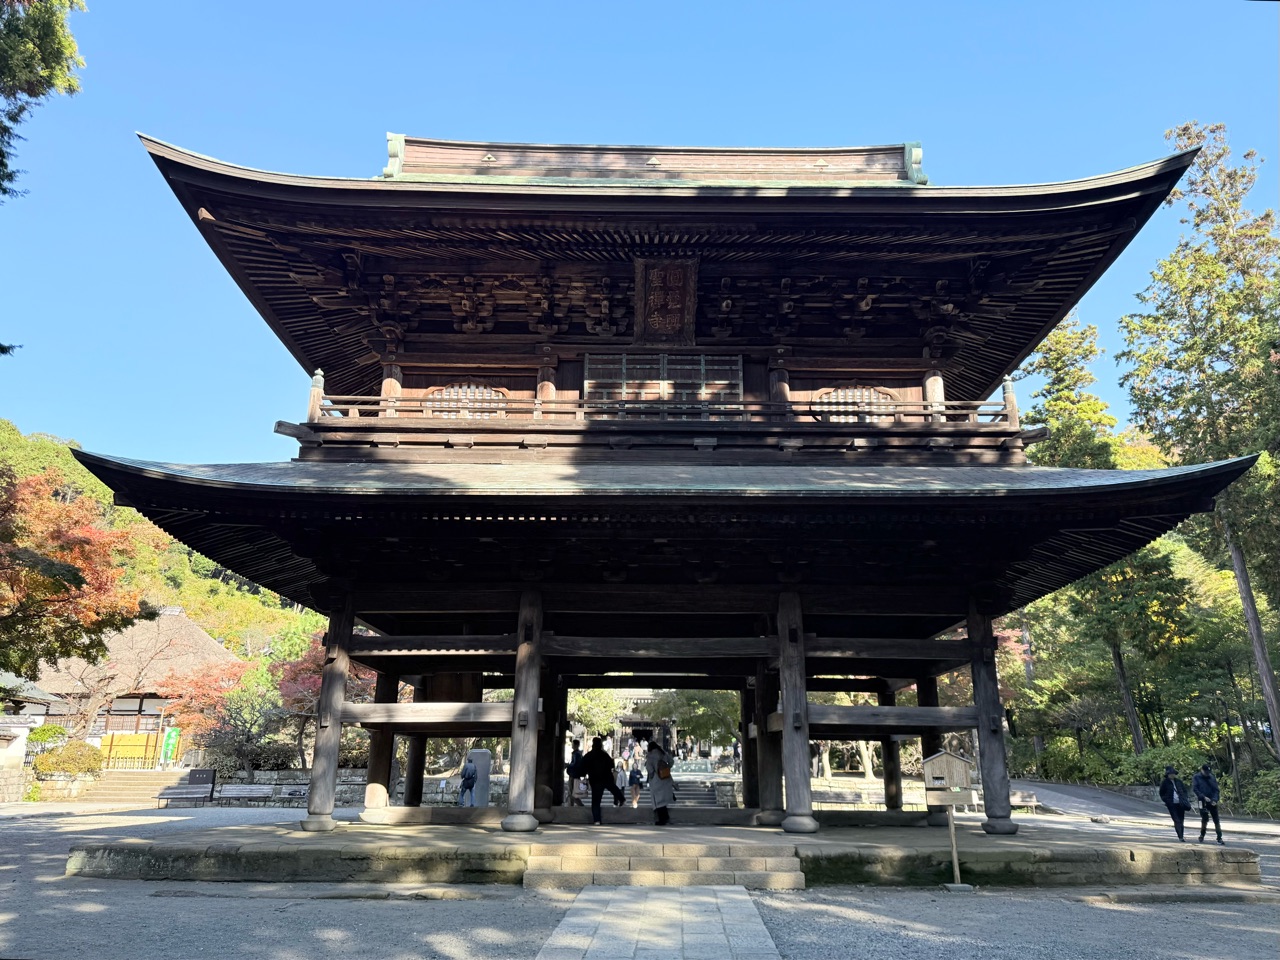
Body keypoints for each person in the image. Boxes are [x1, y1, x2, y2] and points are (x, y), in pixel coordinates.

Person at [581, 736, 625, 825]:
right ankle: (621, 798)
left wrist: (583, 774)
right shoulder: (604, 755)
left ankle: (597, 820)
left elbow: (583, 766)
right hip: (606, 777)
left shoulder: (589, 755)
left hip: (595, 779)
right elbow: (611, 764)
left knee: (596, 800)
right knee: (613, 788)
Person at [1158, 765, 1193, 842]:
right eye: (1170, 774)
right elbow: (1161, 793)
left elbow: (1184, 791)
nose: (1172, 775)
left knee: (1181, 820)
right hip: (1171, 804)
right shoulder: (1165, 782)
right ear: (1167, 774)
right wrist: (1166, 800)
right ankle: (1180, 836)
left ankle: (1181, 835)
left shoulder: (1179, 782)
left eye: (1173, 773)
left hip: (1180, 803)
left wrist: (1184, 797)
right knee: (1176, 820)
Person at [1193, 762, 1225, 845]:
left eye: (1208, 772)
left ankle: (1219, 837)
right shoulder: (1196, 777)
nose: (1207, 774)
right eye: (1205, 772)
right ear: (1202, 770)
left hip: (1212, 800)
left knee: (1216, 819)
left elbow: (1216, 790)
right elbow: (1195, 789)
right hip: (1202, 801)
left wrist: (1215, 800)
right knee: (1204, 819)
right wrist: (1203, 797)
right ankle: (1202, 834)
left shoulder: (1211, 777)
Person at [646, 741, 675, 825]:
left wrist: (652, 776)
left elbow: (650, 769)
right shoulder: (663, 753)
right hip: (665, 777)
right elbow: (671, 761)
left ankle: (662, 819)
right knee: (662, 799)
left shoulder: (650, 756)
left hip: (656, 779)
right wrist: (666, 768)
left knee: (658, 801)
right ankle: (665, 817)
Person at [565, 739, 584, 806]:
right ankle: (572, 805)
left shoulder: (576, 754)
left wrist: (568, 765)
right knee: (572, 792)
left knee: (572, 792)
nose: (572, 745)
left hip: (574, 774)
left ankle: (579, 805)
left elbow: (575, 764)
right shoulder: (578, 753)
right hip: (575, 774)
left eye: (573, 744)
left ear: (576, 745)